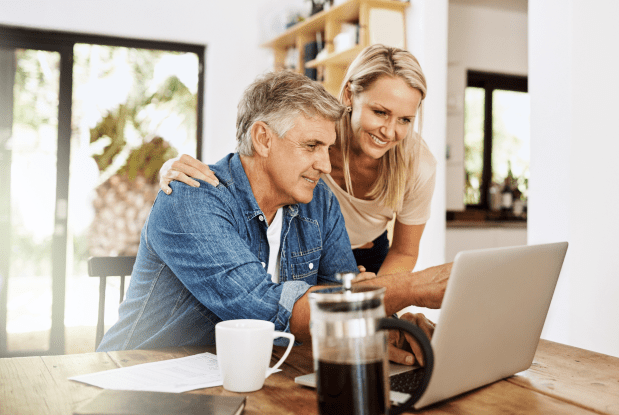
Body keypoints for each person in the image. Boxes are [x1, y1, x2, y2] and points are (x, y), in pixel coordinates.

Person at [98, 70, 450, 367]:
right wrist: (412, 288)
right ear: (263, 138)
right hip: (138, 377)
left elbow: (344, 294)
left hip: (249, 376)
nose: (326, 165)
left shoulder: (319, 202)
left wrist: (392, 326)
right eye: (312, 146)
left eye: (328, 148)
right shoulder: (192, 199)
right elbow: (267, 309)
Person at [160, 44, 438, 277]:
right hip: (302, 242)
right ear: (349, 95)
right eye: (379, 112)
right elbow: (252, 158)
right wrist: (178, 175)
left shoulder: (417, 165)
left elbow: (404, 251)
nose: (389, 131)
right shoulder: (314, 125)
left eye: (405, 120)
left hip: (368, 255)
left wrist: (378, 295)